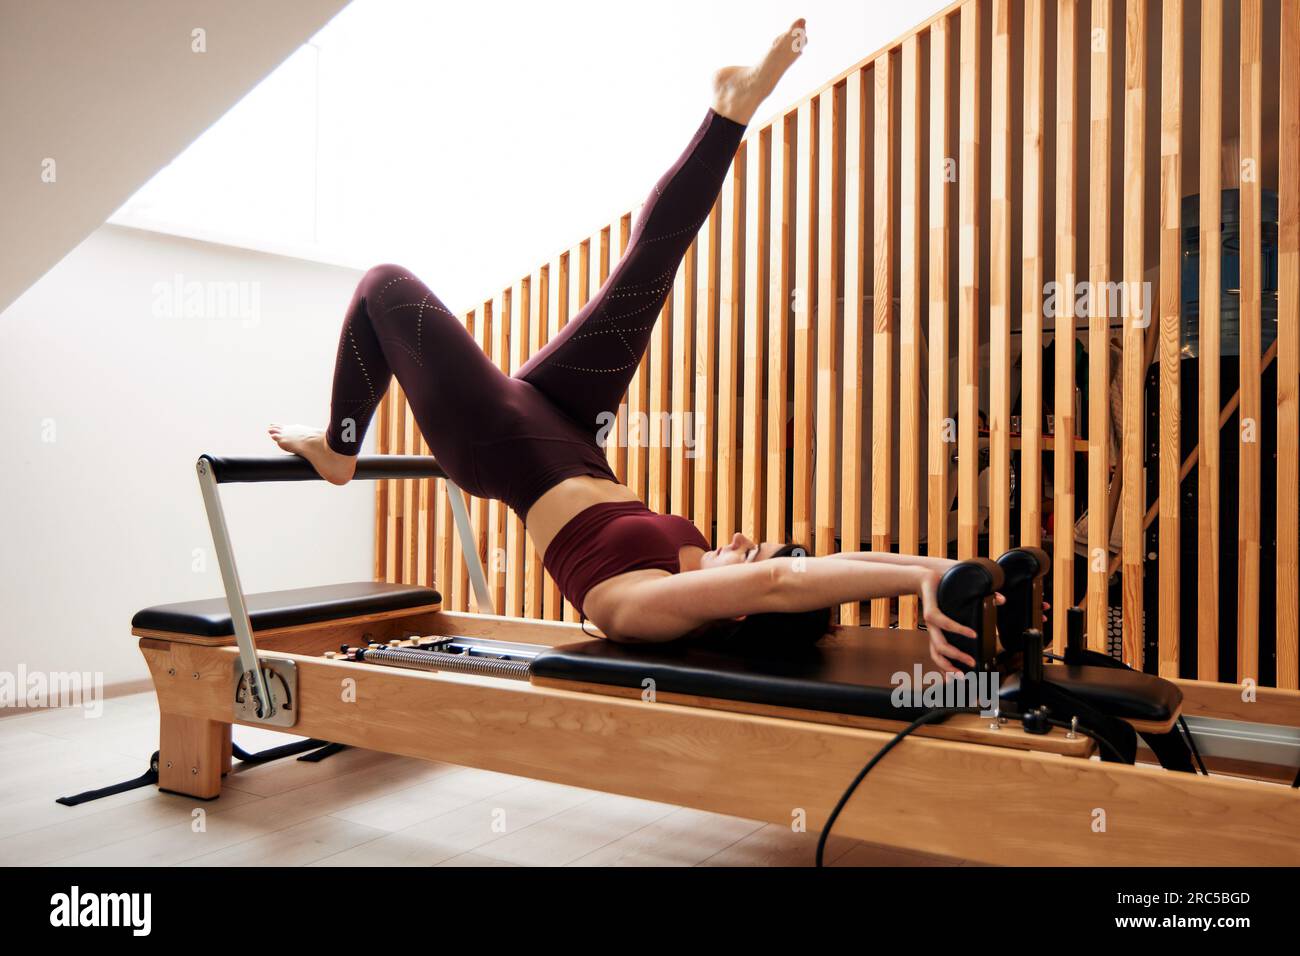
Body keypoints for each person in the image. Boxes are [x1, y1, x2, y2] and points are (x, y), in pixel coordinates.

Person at [269, 18, 980, 668]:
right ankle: (730, 111)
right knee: (645, 275)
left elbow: (778, 581)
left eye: (749, 555)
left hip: (501, 449)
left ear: (739, 605)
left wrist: (930, 579)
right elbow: (800, 570)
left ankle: (340, 447)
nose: (743, 544)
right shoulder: (695, 565)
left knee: (384, 285)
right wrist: (929, 565)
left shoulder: (638, 611)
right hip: (569, 426)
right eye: (754, 543)